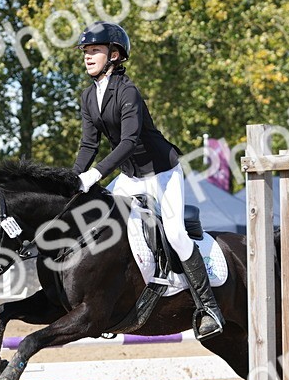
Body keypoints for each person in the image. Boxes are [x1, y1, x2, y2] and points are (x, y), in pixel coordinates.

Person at [71, 21, 224, 341]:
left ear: (114, 55)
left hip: (162, 173)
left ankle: (207, 308)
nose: (87, 56)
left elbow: (128, 142)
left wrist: (96, 175)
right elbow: (88, 145)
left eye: (95, 50)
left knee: (176, 233)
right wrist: (73, 181)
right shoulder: (88, 96)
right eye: (86, 51)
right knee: (97, 219)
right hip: (130, 176)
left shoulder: (127, 92)